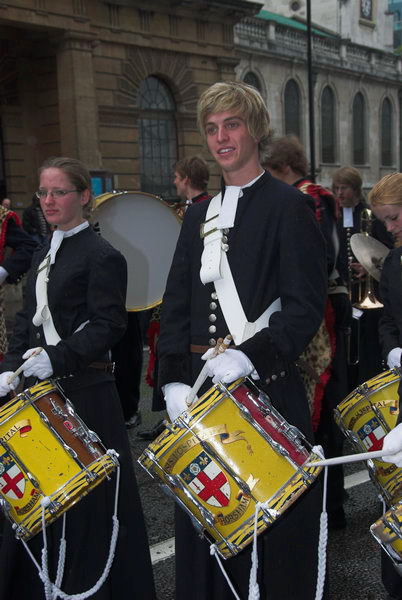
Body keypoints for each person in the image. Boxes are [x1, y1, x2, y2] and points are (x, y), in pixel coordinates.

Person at [158, 81, 327, 600]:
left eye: (231, 125)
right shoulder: (197, 213)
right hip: (204, 397)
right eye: (211, 129)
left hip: (267, 393)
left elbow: (303, 309)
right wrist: (170, 381)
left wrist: (248, 358)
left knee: (270, 543)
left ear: (255, 130)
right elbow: (177, 304)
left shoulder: (289, 207)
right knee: (207, 532)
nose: (221, 138)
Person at [0, 157, 156, 599]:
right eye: (43, 193)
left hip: (85, 394)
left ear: (83, 197)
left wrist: (60, 357)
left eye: (59, 192)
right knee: (34, 503)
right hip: (39, 392)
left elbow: (109, 325)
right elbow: (28, 319)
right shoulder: (43, 250)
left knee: (89, 511)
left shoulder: (104, 255)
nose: (48, 201)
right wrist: (8, 370)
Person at [264, 134, 352, 529]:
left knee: (319, 404)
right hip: (314, 309)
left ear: (281, 168)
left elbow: (317, 258)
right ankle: (325, 501)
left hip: (318, 313)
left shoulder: (311, 197)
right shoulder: (307, 196)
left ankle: (329, 505)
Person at [138, 156, 213, 441]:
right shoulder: (182, 210)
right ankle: (170, 411)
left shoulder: (206, 209)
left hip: (196, 298)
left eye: (176, 177)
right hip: (174, 295)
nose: (173, 182)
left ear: (186, 178)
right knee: (166, 354)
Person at [367, 172, 402, 599]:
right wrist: (392, 348)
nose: (389, 229)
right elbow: (389, 318)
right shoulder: (394, 262)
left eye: (394, 219)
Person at [332, 166, 393, 391]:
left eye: (344, 188)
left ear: (355, 190)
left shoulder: (370, 217)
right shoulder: (334, 217)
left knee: (367, 347)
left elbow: (386, 251)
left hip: (369, 295)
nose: (339, 193)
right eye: (336, 188)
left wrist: (369, 266)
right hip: (343, 293)